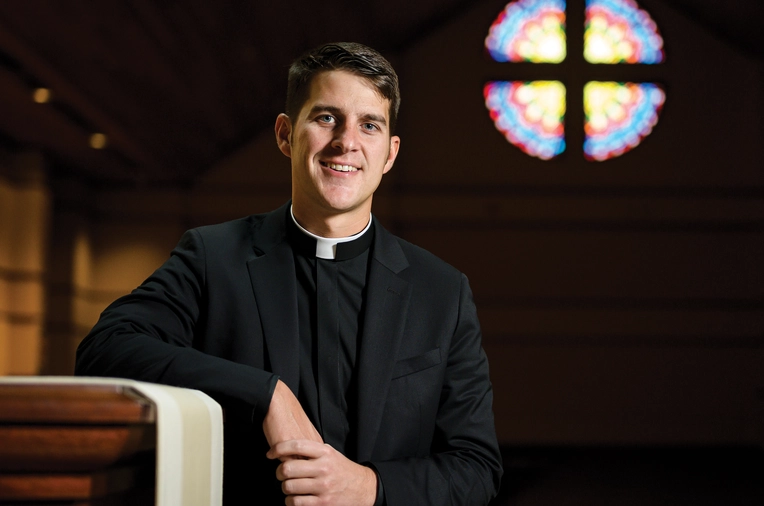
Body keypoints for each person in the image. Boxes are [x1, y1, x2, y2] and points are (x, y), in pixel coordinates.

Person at [75, 42, 502, 505]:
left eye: (369, 125)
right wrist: (264, 394)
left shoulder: (442, 291)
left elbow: (477, 469)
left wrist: (368, 487)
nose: (346, 141)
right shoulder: (213, 257)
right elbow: (105, 348)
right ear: (285, 134)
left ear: (390, 153)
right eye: (326, 118)